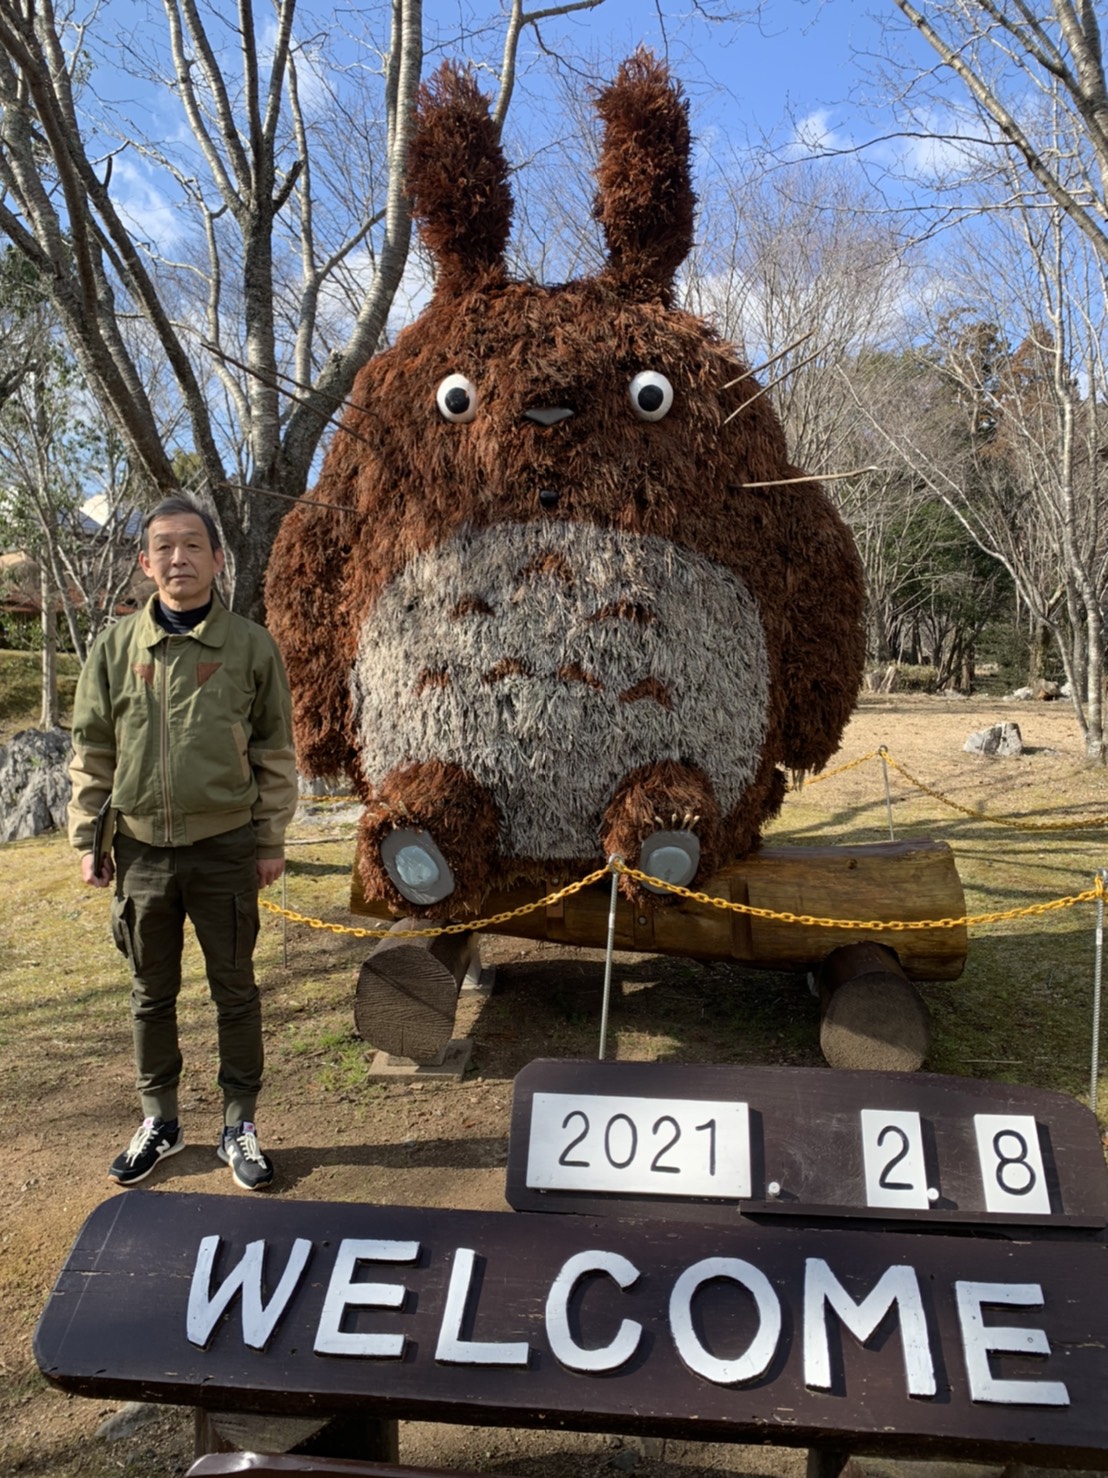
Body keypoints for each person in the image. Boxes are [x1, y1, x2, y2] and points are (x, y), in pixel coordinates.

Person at [68, 496, 298, 1191]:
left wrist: (269, 839)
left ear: (217, 560)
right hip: (139, 852)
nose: (179, 559)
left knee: (236, 991)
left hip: (225, 848)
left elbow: (275, 752)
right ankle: (160, 1121)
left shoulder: (251, 646)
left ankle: (240, 1124)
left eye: (193, 546)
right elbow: (93, 748)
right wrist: (88, 836)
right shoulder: (114, 649)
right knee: (149, 994)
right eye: (164, 547)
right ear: (144, 563)